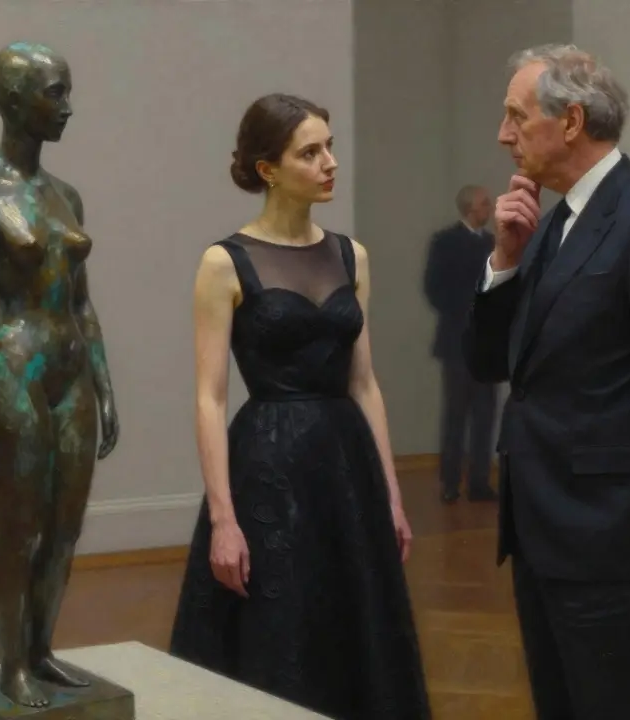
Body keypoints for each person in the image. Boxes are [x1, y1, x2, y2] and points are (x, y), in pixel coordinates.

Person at [464, 44, 630, 718]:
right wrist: (503, 258)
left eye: (516, 117)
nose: (503, 135)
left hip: (614, 536)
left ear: (573, 121)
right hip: (541, 529)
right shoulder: (552, 225)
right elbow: (493, 363)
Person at [169, 93, 430, 719]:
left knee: (354, 623)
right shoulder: (224, 262)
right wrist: (224, 519)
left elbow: (364, 383)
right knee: (278, 625)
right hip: (268, 467)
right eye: (310, 152)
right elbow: (208, 395)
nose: (330, 163)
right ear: (268, 169)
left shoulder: (350, 255)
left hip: (346, 467)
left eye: (329, 146)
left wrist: (392, 494)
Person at [0, 43, 119, 708]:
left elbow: (82, 301)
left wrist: (104, 383)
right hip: (12, 366)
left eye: (68, 91)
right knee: (20, 528)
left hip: (69, 366)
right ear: (15, 102)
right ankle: (11, 662)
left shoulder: (65, 195)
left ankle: (42, 650)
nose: (68, 107)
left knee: (67, 527)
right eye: (54, 92)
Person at [423, 184, 500, 503]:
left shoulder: (493, 243)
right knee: (456, 415)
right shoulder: (445, 242)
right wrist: (466, 310)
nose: (490, 207)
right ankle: (450, 482)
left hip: (486, 344)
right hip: (457, 342)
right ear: (470, 208)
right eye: (485, 203)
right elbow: (433, 287)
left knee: (485, 416)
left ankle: (479, 482)